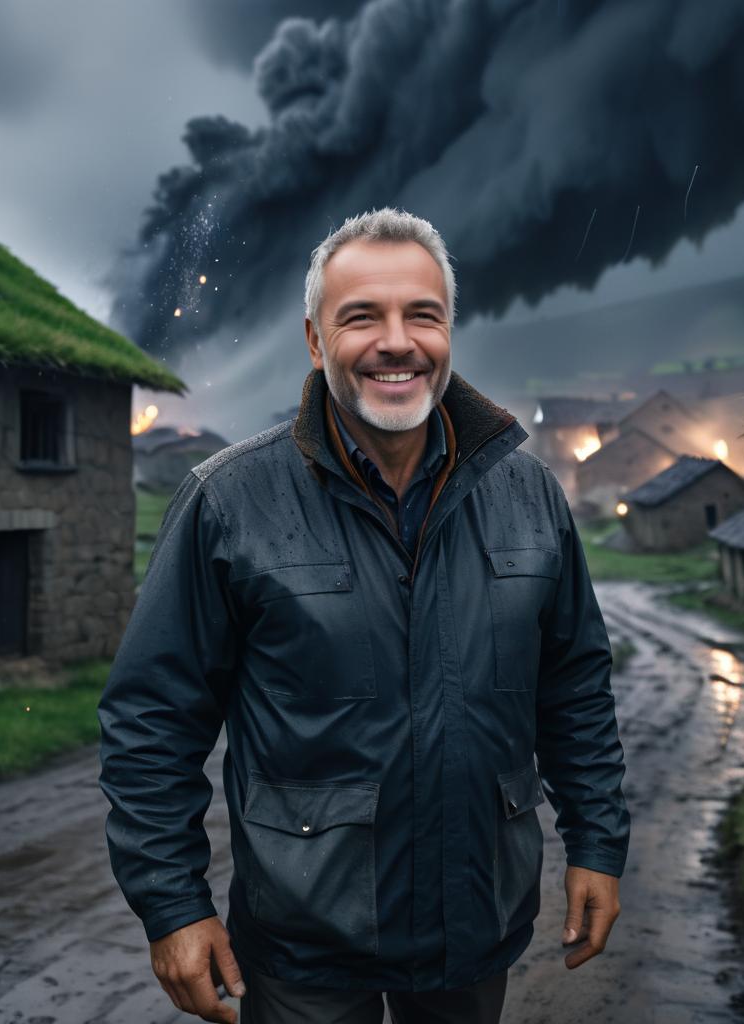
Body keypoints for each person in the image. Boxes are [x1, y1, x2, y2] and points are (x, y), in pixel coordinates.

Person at [99, 208, 630, 1024]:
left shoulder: (528, 496)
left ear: (449, 331)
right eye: (361, 317)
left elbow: (575, 687)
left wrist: (596, 841)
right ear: (316, 341)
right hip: (303, 947)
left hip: (473, 927)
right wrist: (172, 904)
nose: (397, 341)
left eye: (423, 314)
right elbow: (152, 718)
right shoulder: (229, 501)